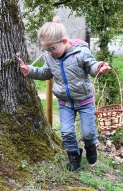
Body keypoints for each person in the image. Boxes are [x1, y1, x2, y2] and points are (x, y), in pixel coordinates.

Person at [18, 16, 111, 172]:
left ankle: (90, 146)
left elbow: (92, 66)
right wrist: (30, 70)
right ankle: (74, 157)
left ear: (64, 41)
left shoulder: (81, 52)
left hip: (85, 100)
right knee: (67, 132)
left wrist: (100, 67)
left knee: (88, 132)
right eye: (46, 50)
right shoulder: (50, 58)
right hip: (65, 102)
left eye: (52, 48)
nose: (50, 52)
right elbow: (45, 73)